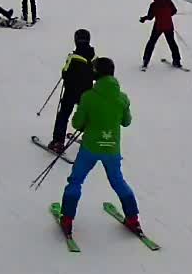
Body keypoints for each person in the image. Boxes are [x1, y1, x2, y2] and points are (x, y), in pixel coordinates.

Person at [57, 57, 143, 239]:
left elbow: (77, 123)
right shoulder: (122, 98)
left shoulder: (88, 97)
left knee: (76, 181)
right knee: (118, 182)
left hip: (90, 148)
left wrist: (87, 120)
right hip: (112, 148)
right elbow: (126, 122)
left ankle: (67, 219)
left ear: (97, 73)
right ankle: (133, 218)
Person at [49, 29, 96, 154]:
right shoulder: (93, 57)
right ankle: (89, 138)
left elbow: (65, 72)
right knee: (86, 115)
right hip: (86, 92)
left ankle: (58, 142)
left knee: (63, 115)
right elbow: (96, 74)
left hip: (70, 91)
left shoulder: (73, 57)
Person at [140, 0, 181, 70]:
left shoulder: (154, 5)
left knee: (151, 42)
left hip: (158, 26)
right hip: (169, 25)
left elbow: (150, 17)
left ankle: (146, 61)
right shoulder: (168, 1)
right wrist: (167, 16)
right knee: (172, 43)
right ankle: (177, 61)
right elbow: (174, 11)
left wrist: (144, 18)